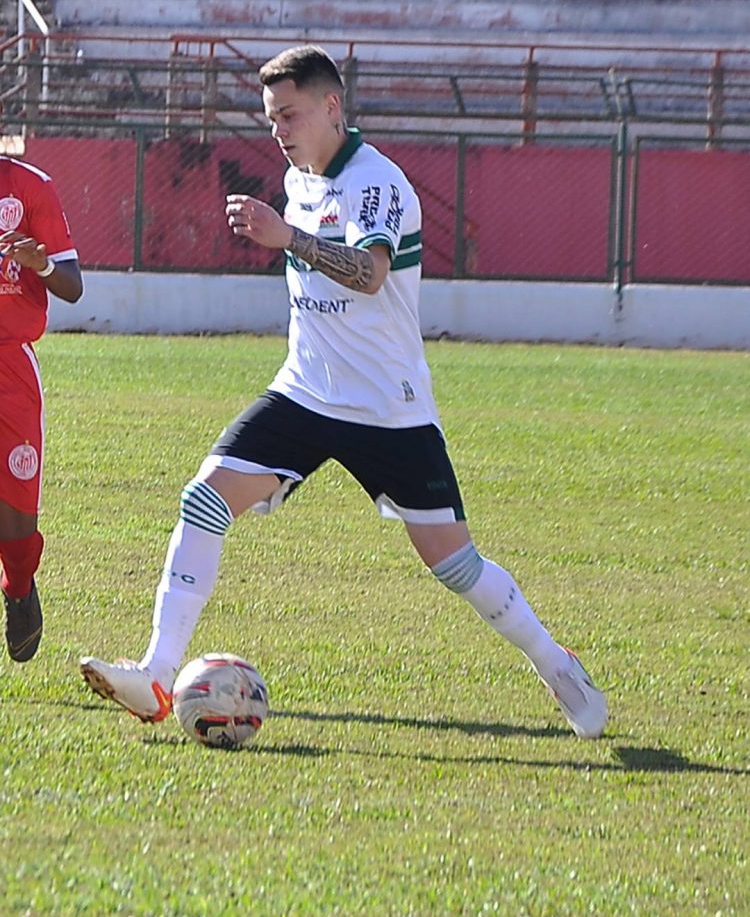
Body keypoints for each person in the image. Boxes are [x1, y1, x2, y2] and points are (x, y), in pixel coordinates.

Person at [80, 45, 607, 738]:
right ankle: (156, 673)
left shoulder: (375, 181)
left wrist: (288, 237)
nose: (279, 131)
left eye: (290, 115)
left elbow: (370, 273)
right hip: (304, 393)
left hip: (388, 409)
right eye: (270, 119)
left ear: (333, 107)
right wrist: (291, 227)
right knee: (204, 499)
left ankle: (550, 657)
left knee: (454, 564)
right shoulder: (298, 178)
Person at [1, 152, 83, 661]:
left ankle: (19, 584)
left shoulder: (30, 187)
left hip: (10, 367)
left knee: (16, 512)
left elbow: (72, 286)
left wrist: (42, 263)